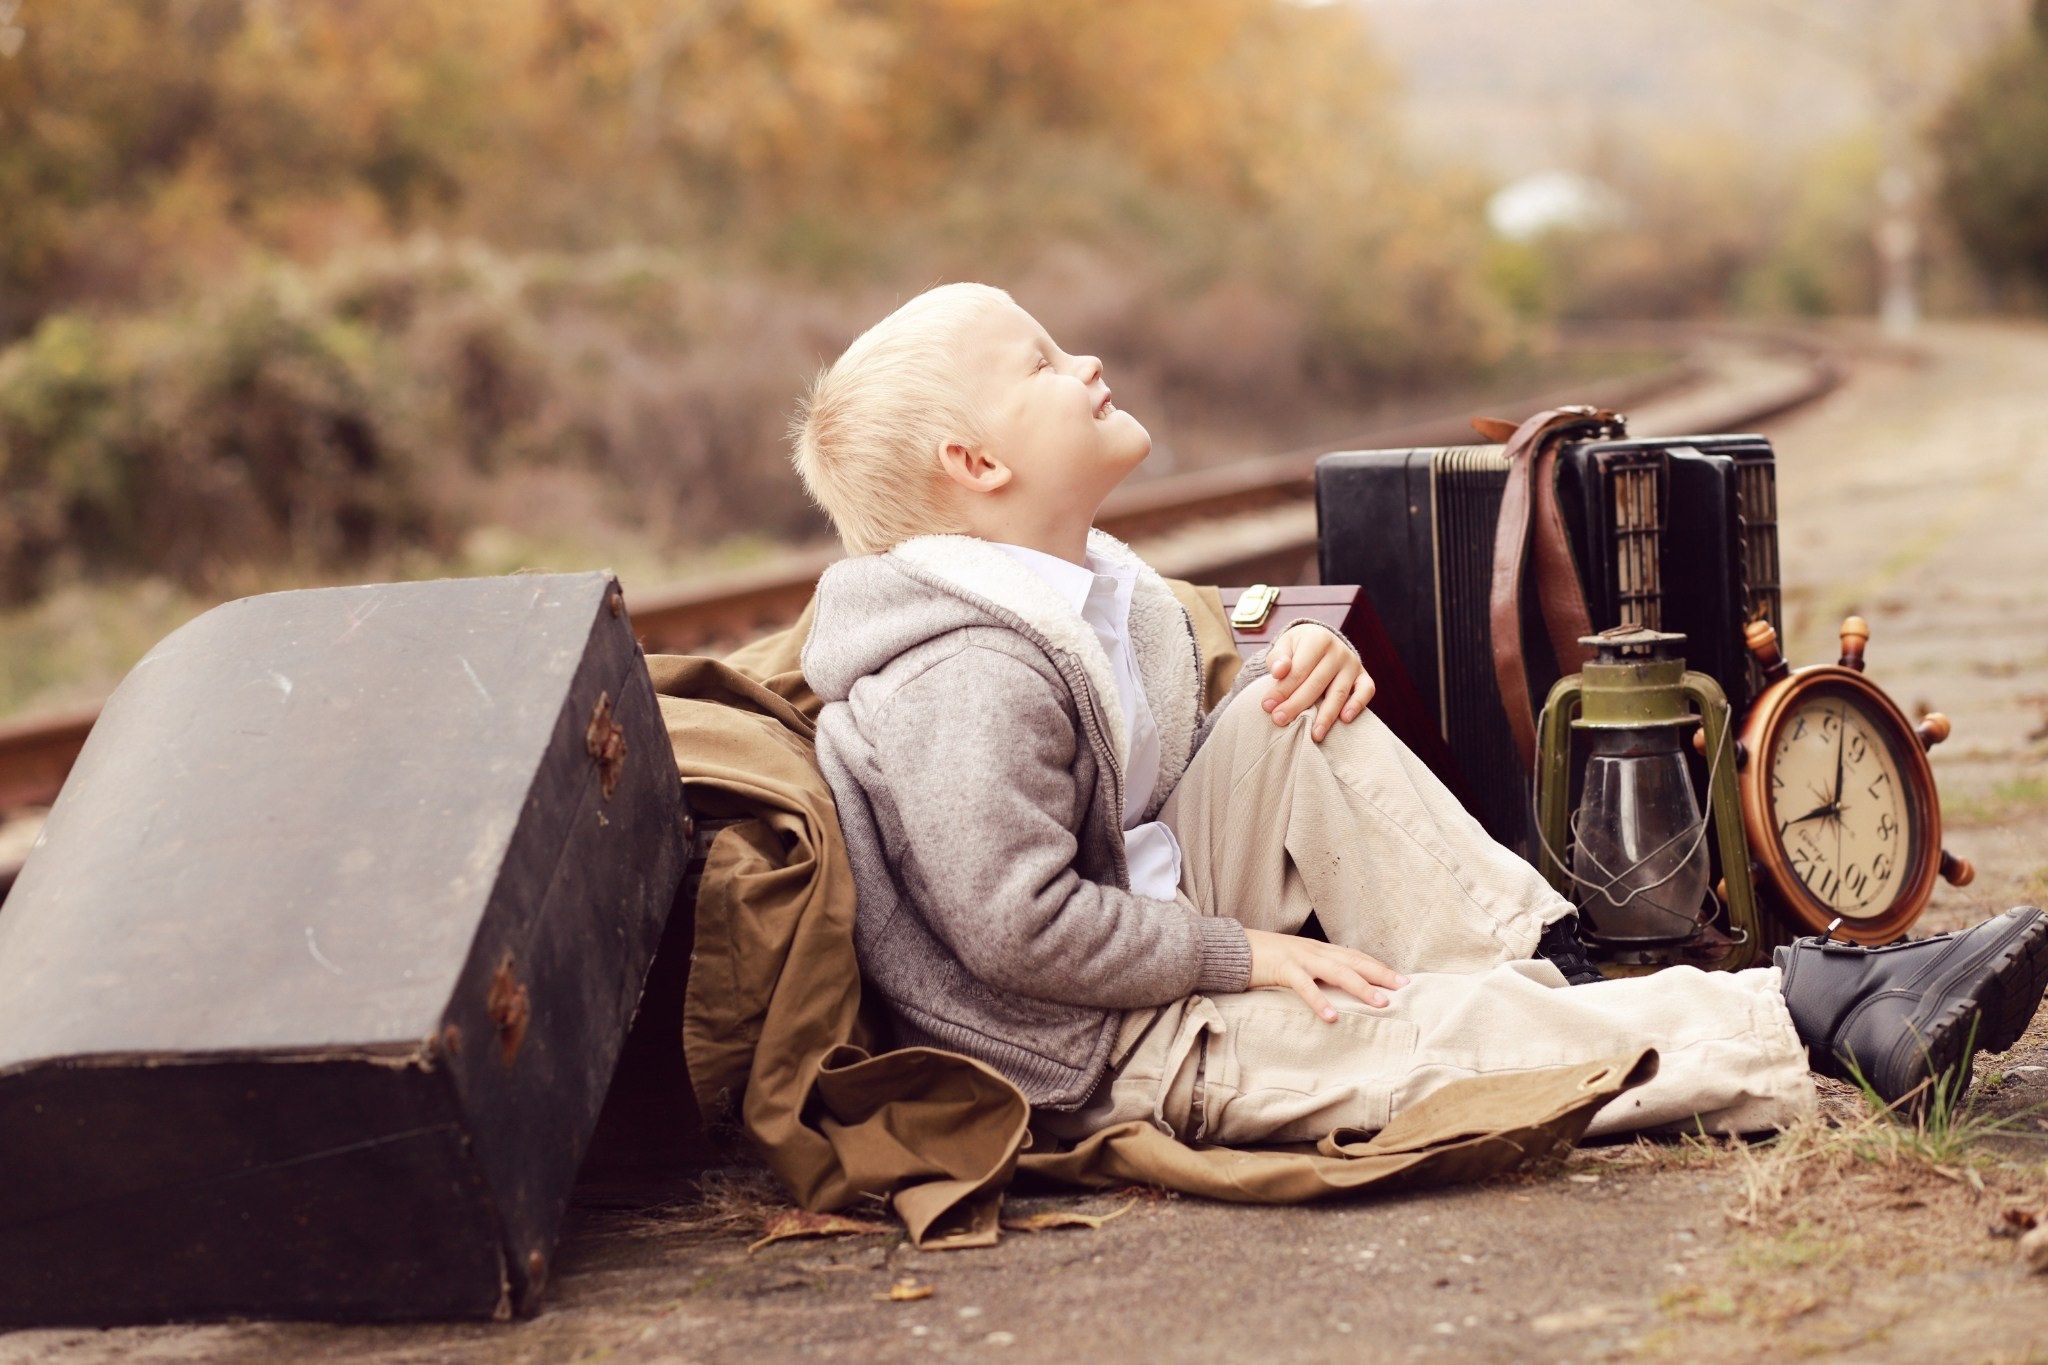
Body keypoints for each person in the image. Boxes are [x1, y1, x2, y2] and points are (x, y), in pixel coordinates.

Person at [790, 281, 2048, 1146]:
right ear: (977, 466)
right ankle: (1818, 1015)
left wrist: (1296, 649)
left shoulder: (1089, 591)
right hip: (1088, 1048)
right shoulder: (969, 672)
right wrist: (1245, 958)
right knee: (1404, 1046)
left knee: (1294, 705)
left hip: (1147, 927)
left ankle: (1550, 975)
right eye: (1041, 364)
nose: (1085, 364)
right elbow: (1015, 929)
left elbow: (1188, 696)